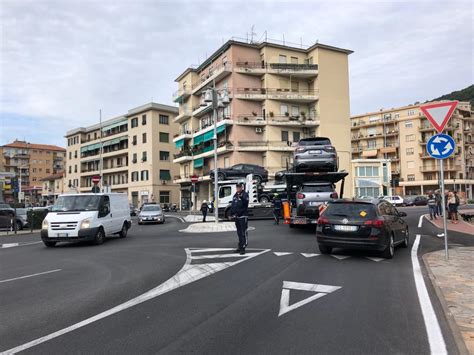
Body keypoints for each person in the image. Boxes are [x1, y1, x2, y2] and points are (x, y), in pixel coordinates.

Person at [230, 182, 249, 255]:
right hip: (237, 217)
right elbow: (233, 205)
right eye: (237, 187)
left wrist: (241, 197)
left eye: (239, 187)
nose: (238, 188)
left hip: (243, 216)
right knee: (238, 233)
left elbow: (245, 203)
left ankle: (243, 247)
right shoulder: (235, 195)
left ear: (242, 187)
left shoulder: (245, 194)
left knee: (243, 232)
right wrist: (231, 214)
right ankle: (240, 246)